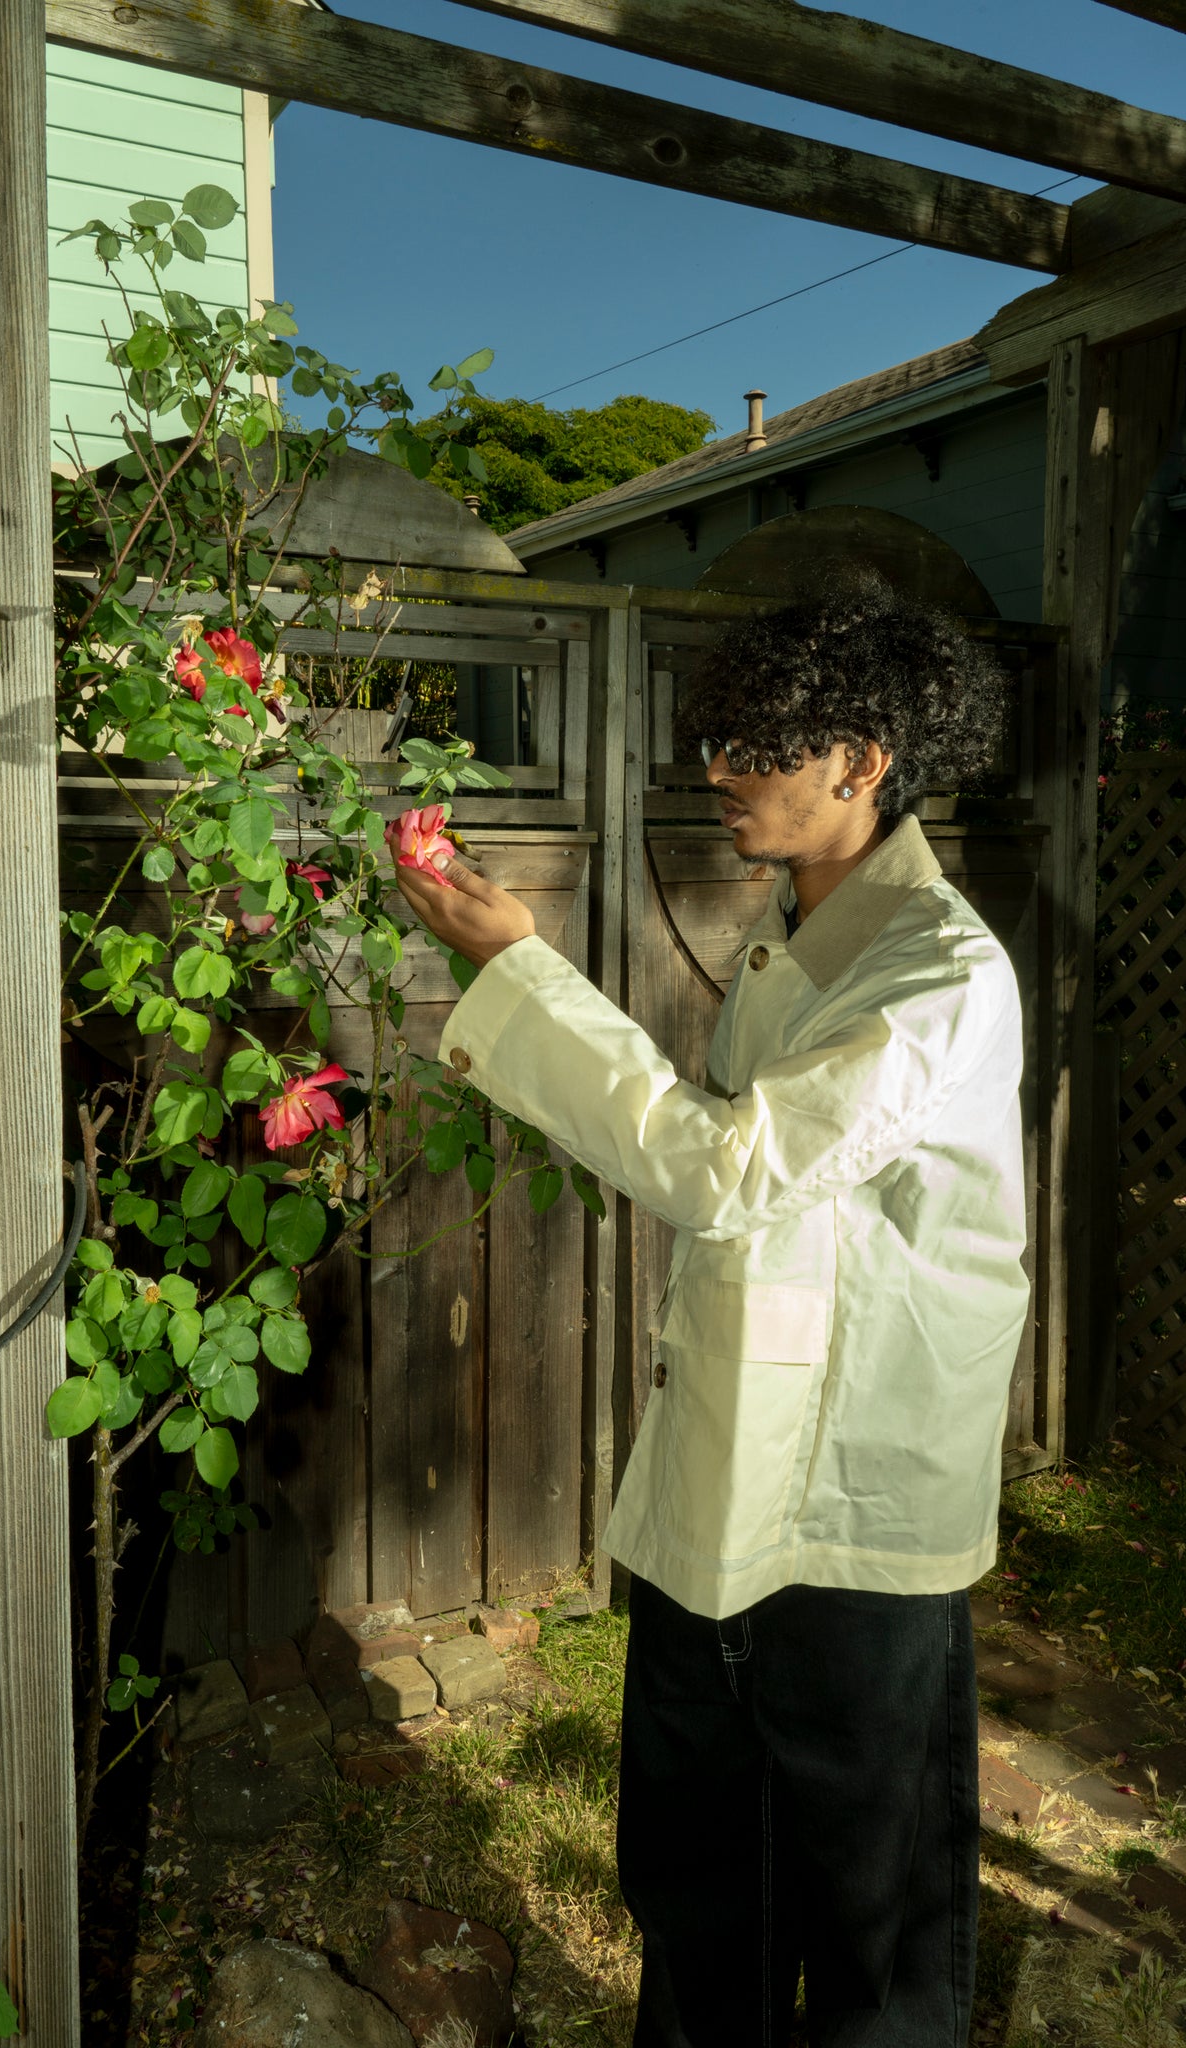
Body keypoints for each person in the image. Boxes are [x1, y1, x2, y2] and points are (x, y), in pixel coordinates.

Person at [391, 570, 1030, 2048]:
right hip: (729, 1470)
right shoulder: (802, 943)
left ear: (859, 761)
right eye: (718, 737)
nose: (714, 769)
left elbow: (728, 1169)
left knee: (871, 1912)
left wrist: (521, 972)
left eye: (755, 744)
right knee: (693, 1871)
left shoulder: (936, 972)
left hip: (857, 1504)